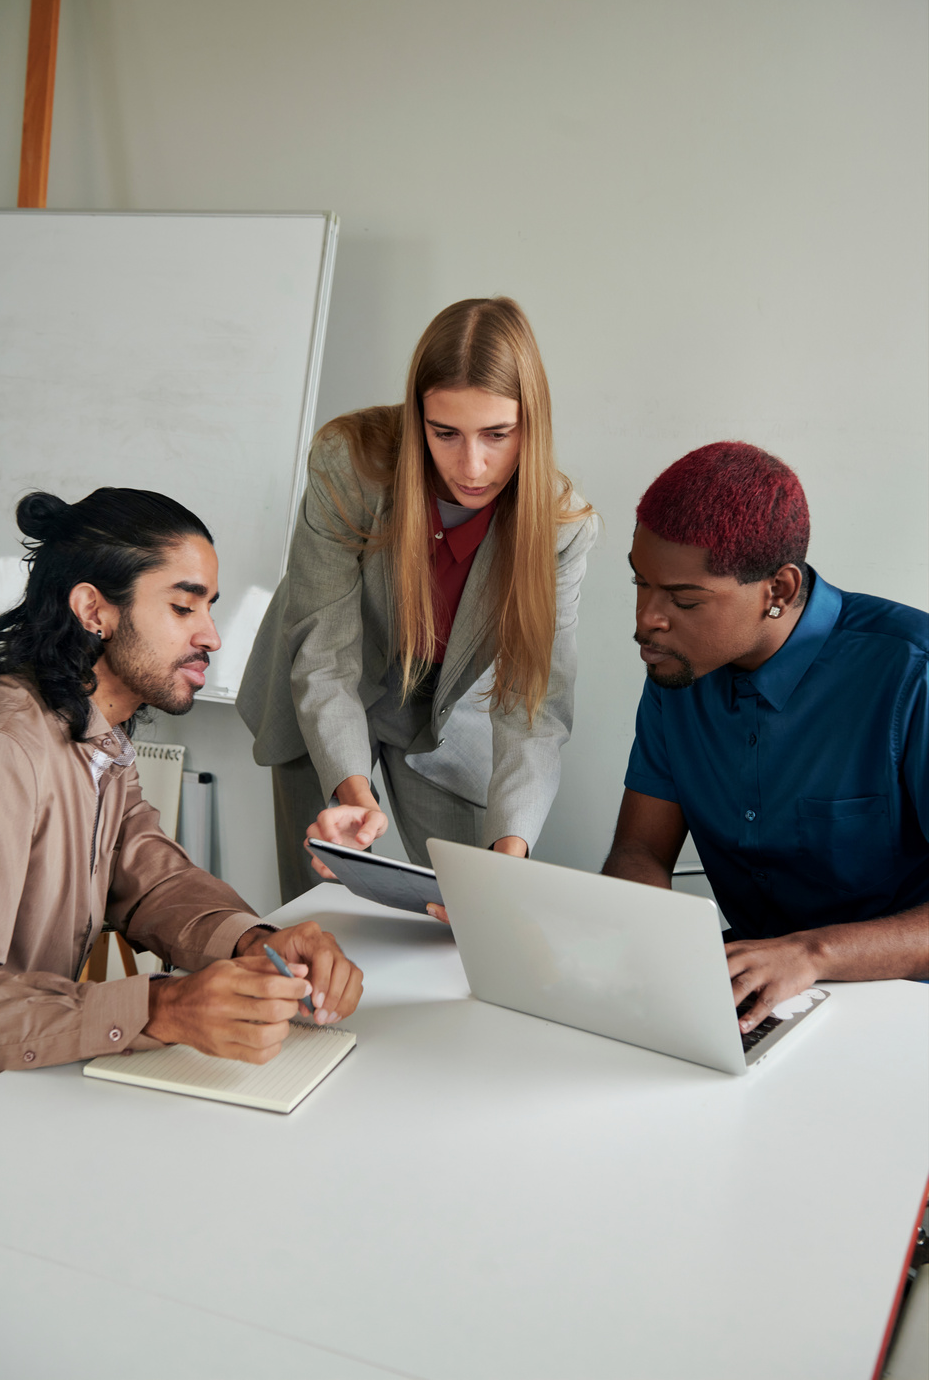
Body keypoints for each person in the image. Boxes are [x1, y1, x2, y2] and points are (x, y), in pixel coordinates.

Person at [0, 488, 363, 1076]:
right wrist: (160, 1007)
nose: (212, 637)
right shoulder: (1, 747)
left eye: (209, 607)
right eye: (184, 608)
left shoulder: (97, 737)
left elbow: (152, 881)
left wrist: (257, 942)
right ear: (94, 611)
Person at [238, 296, 597, 908]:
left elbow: (533, 710)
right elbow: (324, 655)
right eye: (445, 433)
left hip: (446, 717)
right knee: (316, 918)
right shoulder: (349, 466)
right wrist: (354, 794)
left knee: (472, 912)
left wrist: (508, 857)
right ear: (416, 417)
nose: (473, 465)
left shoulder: (562, 529)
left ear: (530, 424)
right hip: (325, 692)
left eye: (497, 434)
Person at [603, 442, 928, 1032]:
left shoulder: (912, 673)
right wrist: (646, 946)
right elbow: (641, 852)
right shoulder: (678, 666)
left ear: (777, 590)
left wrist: (810, 953)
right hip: (748, 997)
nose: (646, 619)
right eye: (640, 583)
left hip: (901, 1007)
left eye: (683, 599)